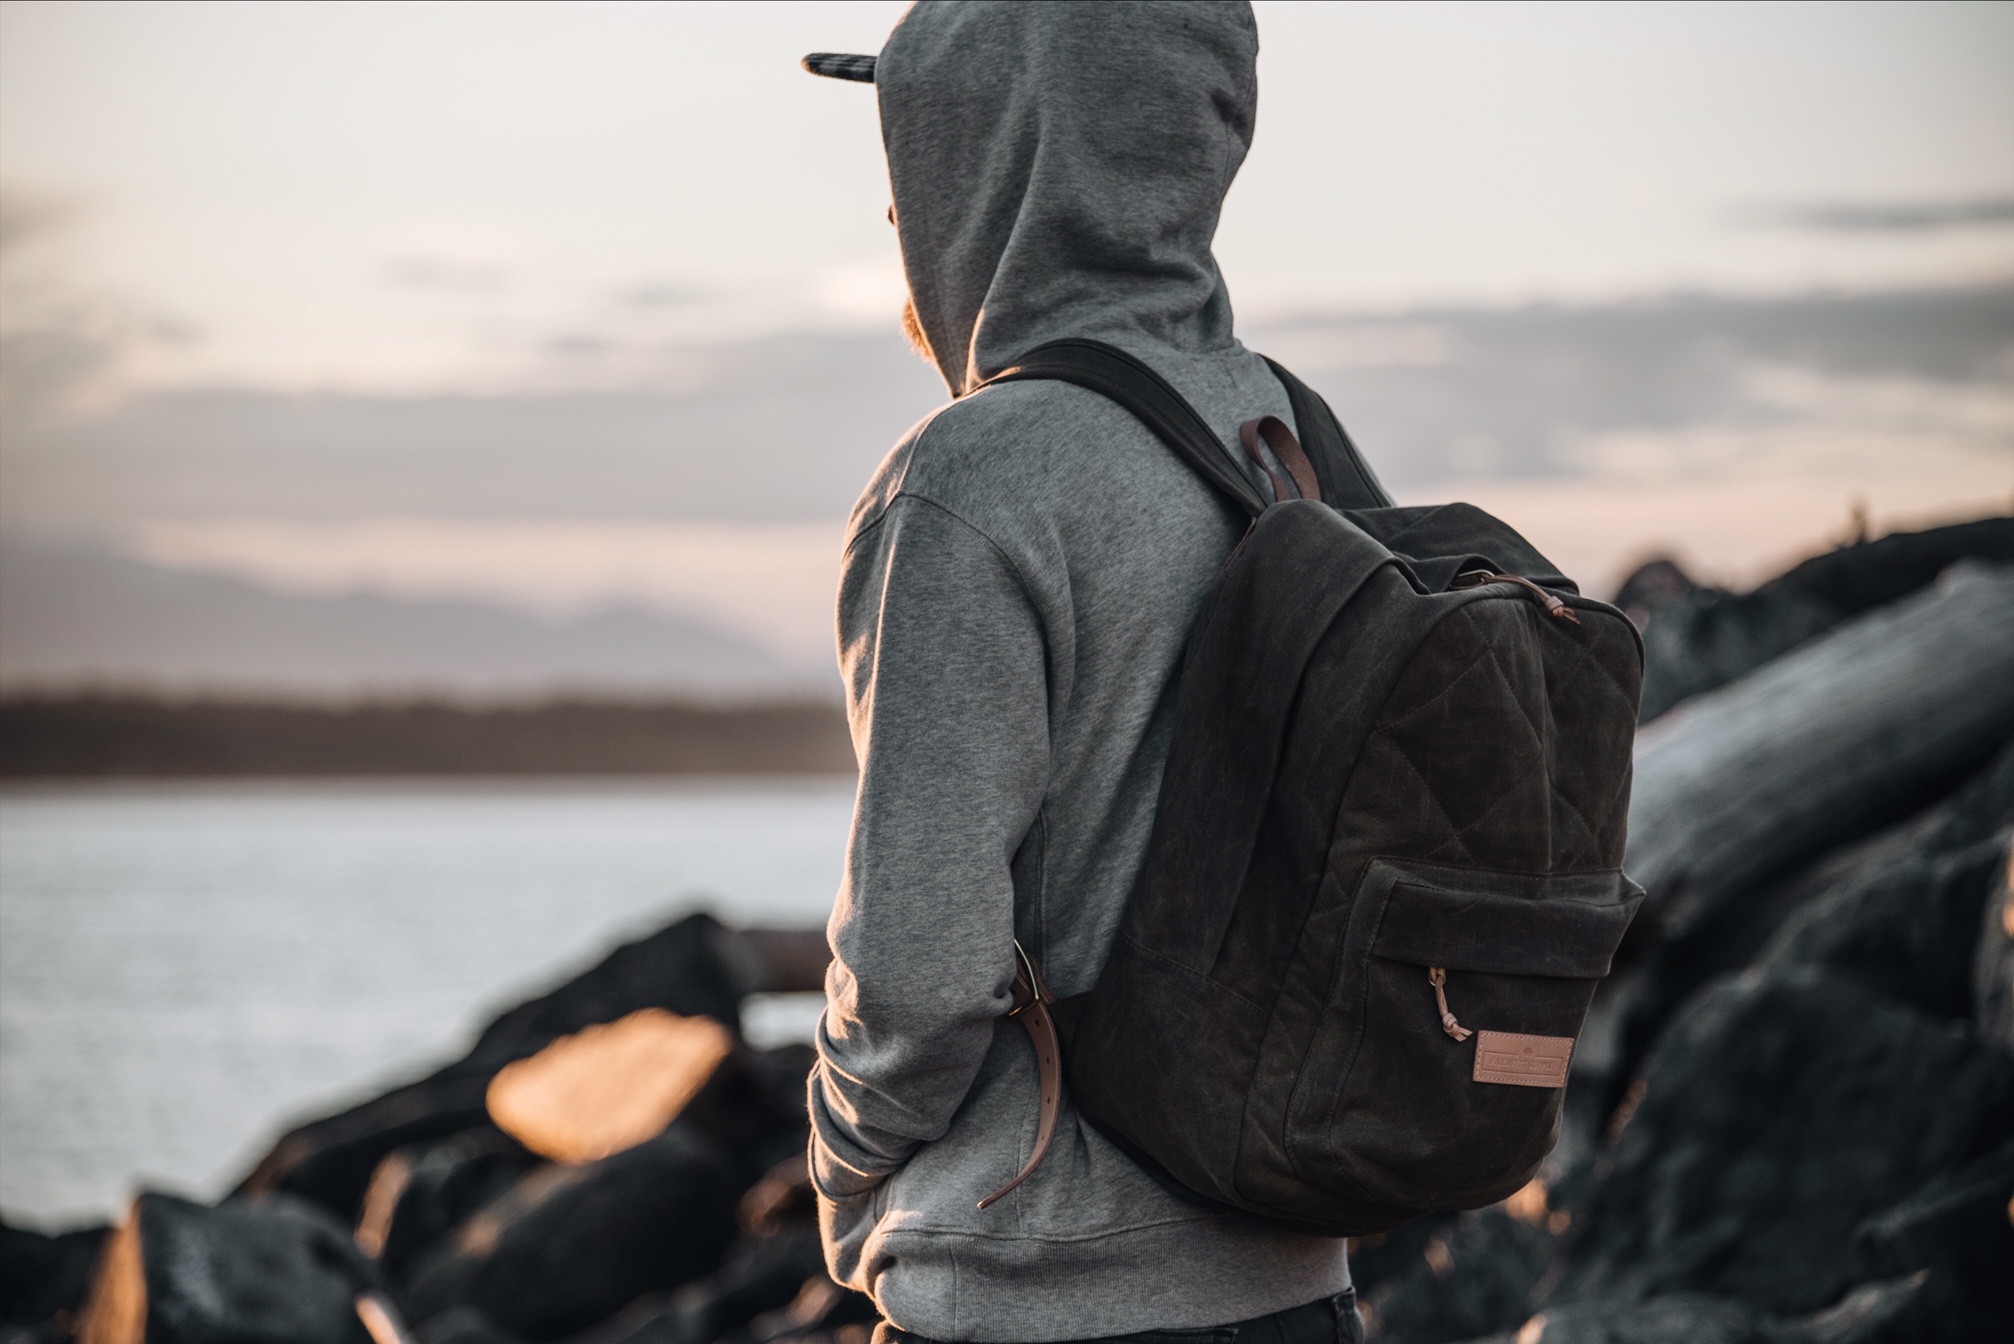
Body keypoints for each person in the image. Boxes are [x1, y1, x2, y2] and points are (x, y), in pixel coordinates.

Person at [804, 5, 1359, 1341]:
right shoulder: (1286, 438)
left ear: (1000, 153)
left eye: (920, 145)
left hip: (1042, 1295)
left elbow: (919, 972)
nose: (895, 212)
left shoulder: (970, 480)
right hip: (1296, 1283)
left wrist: (839, 1163)